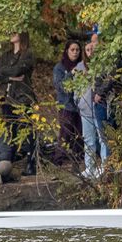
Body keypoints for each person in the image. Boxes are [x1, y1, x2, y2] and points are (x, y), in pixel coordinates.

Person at [0, 31, 37, 174]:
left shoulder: (28, 54)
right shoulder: (6, 55)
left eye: (15, 31)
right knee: (9, 131)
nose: (11, 34)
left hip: (23, 96)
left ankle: (31, 164)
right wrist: (11, 78)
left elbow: (19, 70)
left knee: (27, 130)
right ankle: (8, 162)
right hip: (8, 96)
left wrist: (8, 73)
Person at [79, 31, 109, 178]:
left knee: (103, 138)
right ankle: (89, 167)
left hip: (97, 107)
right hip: (85, 109)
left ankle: (104, 166)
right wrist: (78, 102)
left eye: (93, 48)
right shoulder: (80, 67)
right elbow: (75, 89)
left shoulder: (101, 65)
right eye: (88, 49)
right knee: (88, 141)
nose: (91, 51)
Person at [51, 37, 85, 166]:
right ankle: (58, 159)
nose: (75, 52)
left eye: (77, 50)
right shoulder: (59, 67)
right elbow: (61, 86)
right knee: (65, 133)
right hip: (66, 104)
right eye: (72, 50)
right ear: (67, 51)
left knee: (79, 133)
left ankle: (79, 158)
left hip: (80, 104)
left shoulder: (83, 65)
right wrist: (71, 73)